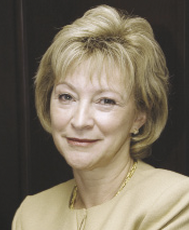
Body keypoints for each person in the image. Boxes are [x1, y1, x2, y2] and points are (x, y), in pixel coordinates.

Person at [12, 4, 189, 230]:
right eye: (66, 97)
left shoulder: (175, 201)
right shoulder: (30, 214)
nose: (80, 120)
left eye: (106, 101)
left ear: (140, 115)